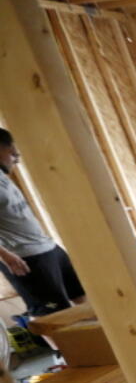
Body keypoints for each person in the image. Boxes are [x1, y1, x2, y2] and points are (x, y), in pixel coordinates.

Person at [0, 128, 85, 317]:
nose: (16, 159)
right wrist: (6, 256)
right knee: (52, 315)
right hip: (26, 258)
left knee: (82, 296)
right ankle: (65, 348)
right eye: (12, 153)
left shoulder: (2, 177)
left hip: (48, 248)